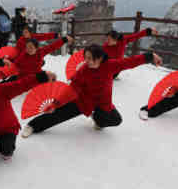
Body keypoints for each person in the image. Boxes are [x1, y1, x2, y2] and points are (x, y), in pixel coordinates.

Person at [21, 44, 162, 138]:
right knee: (58, 114)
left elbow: (130, 62)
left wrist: (149, 57)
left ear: (100, 58)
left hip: (102, 103)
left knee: (116, 120)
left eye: (90, 58)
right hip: (83, 100)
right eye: (86, 57)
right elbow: (72, 89)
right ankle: (33, 126)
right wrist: (56, 103)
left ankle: (97, 119)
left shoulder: (110, 65)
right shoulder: (83, 71)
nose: (87, 61)